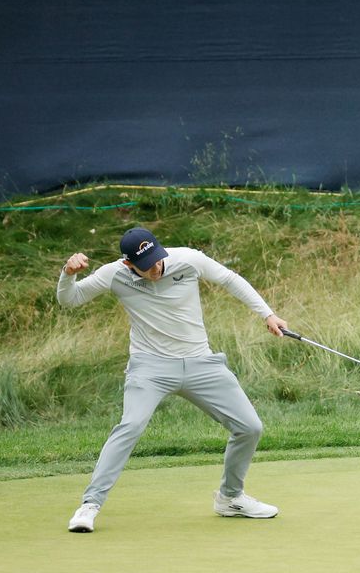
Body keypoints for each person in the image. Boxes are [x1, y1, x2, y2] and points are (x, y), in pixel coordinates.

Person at [57, 227, 288, 533]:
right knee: (131, 426)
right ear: (128, 265)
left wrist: (267, 314)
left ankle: (230, 498)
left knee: (250, 427)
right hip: (150, 367)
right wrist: (67, 273)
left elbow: (230, 279)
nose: (156, 267)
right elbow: (69, 300)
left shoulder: (188, 259)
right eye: (146, 264)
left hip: (200, 363)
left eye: (157, 259)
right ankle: (90, 505)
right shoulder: (114, 274)